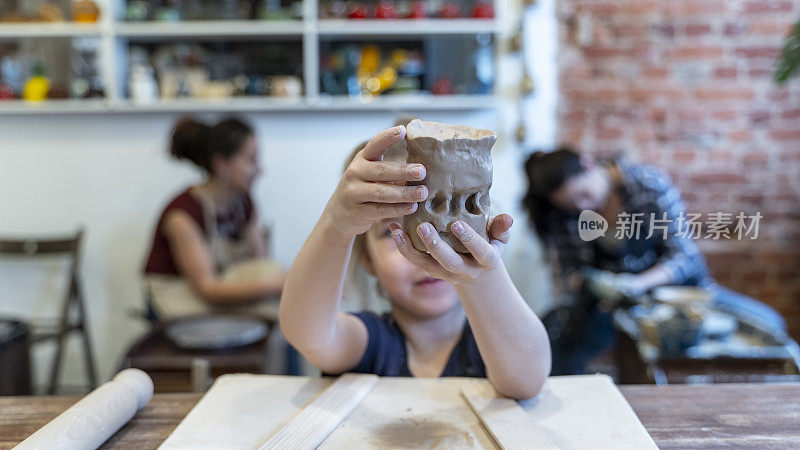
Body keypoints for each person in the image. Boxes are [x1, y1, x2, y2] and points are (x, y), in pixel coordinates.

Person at [279, 125, 551, 399]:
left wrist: (479, 272)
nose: (423, 252)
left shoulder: (493, 342)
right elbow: (308, 335)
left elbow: (527, 381)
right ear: (368, 261)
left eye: (442, 220)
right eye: (392, 232)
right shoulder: (369, 343)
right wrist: (336, 224)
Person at [522, 148, 787, 375]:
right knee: (553, 357)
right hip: (611, 309)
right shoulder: (562, 215)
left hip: (681, 297)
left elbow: (684, 256)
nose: (581, 207)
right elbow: (568, 277)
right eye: (572, 205)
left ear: (589, 163)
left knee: (771, 325)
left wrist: (636, 284)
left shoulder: (647, 185)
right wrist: (593, 284)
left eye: (584, 195)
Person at [144, 117, 285, 319]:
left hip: (217, 295)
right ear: (221, 165)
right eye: (251, 160)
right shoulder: (182, 214)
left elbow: (260, 264)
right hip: (177, 303)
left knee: (281, 313)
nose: (260, 169)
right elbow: (207, 289)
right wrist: (278, 285)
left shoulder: (244, 203)